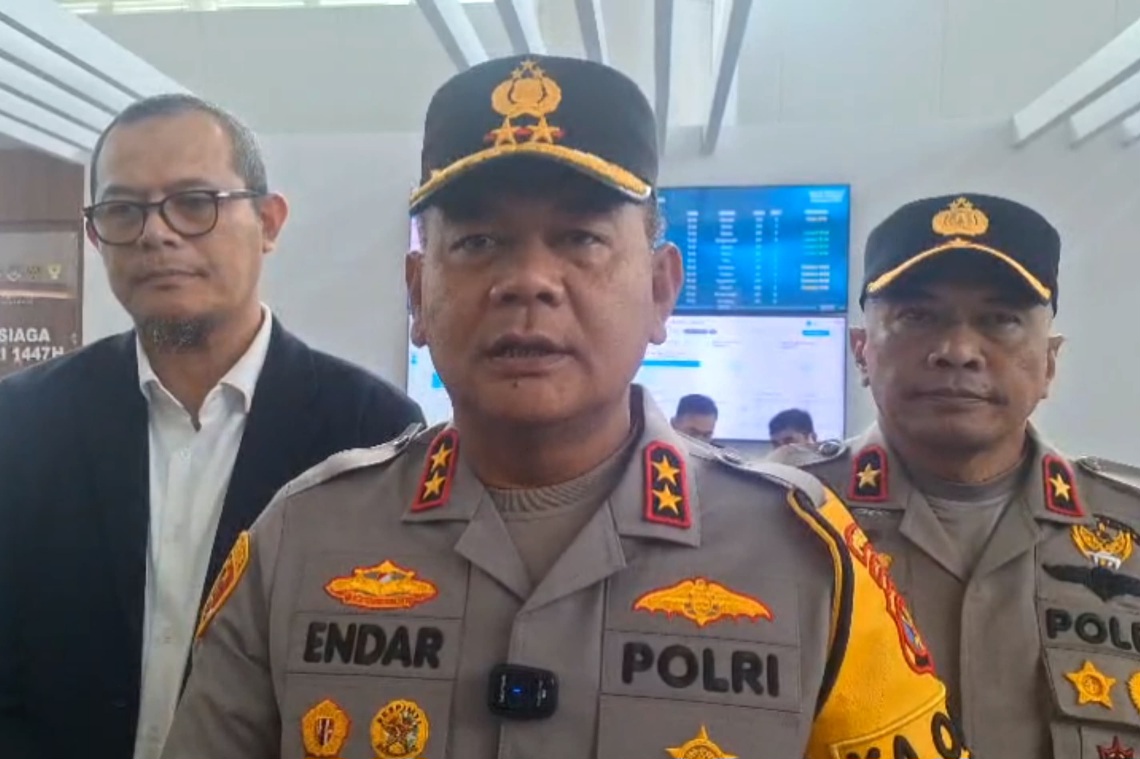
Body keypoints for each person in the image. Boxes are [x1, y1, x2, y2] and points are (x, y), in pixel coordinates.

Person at [161, 56, 968, 759]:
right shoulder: (303, 538)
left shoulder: (802, 556)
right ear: (417, 294)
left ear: (661, 289)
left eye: (581, 238)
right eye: (478, 242)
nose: (528, 281)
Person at [0, 94, 424, 759]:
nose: (156, 234)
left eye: (195, 202)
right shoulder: (23, 422)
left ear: (269, 222)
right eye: (123, 210)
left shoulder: (373, 433)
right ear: (96, 237)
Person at [771, 192, 1140, 758]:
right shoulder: (778, 517)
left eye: (1001, 320)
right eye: (917, 317)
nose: (958, 350)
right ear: (861, 351)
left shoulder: (1129, 526)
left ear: (1049, 362)